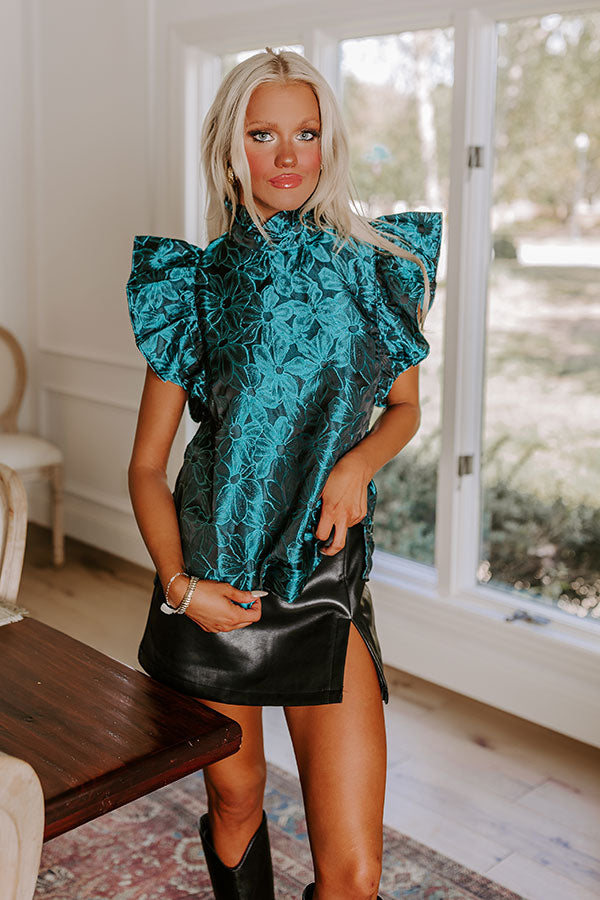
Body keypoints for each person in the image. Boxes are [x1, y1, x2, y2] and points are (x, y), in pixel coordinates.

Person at [126, 47, 441, 900]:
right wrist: (181, 587)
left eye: (307, 132)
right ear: (231, 149)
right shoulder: (191, 284)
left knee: (355, 875)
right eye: (263, 134)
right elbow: (147, 466)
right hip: (213, 585)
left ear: (329, 143)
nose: (289, 155)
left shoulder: (379, 267)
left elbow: (405, 407)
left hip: (322, 581)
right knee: (237, 802)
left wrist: (358, 463)